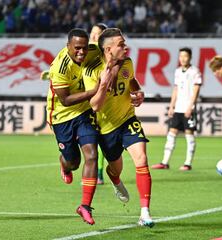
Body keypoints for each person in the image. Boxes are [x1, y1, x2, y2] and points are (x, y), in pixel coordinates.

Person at [83, 28, 154, 227]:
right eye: (121, 44)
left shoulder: (128, 63)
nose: (126, 47)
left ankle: (145, 212)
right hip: (107, 129)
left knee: (142, 158)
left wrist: (138, 92)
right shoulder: (92, 71)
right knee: (115, 169)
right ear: (108, 49)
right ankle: (114, 179)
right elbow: (95, 105)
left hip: (128, 119)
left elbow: (131, 81)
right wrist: (104, 84)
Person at [46, 28, 101, 225]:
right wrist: (94, 91)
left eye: (84, 48)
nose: (82, 52)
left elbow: (109, 53)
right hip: (62, 117)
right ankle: (64, 164)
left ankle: (85, 206)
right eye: (77, 48)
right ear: (68, 46)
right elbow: (66, 99)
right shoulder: (59, 67)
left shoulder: (94, 51)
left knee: (92, 156)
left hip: (84, 114)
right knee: (74, 162)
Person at [152, 48, 202, 171]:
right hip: (178, 108)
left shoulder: (195, 71)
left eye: (185, 56)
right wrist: (171, 105)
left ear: (190, 57)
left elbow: (196, 90)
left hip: (188, 108)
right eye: (181, 56)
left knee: (189, 134)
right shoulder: (178, 71)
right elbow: (176, 89)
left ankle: (188, 163)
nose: (183, 58)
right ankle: (164, 162)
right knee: (171, 134)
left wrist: (191, 107)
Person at [89, 22, 108, 185]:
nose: (93, 36)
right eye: (92, 33)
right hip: (83, 101)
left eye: (97, 34)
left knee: (99, 137)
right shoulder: (82, 52)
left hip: (100, 100)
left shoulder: (106, 55)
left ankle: (98, 173)